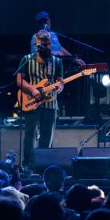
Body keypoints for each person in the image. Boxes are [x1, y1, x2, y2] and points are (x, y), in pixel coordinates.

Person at [16, 30, 64, 169]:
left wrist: (59, 88)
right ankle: (28, 166)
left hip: (50, 103)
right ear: (37, 45)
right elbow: (19, 80)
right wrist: (32, 90)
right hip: (31, 102)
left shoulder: (57, 62)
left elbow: (60, 82)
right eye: (45, 45)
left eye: (49, 44)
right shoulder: (27, 59)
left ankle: (43, 166)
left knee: (47, 136)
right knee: (30, 135)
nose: (48, 47)